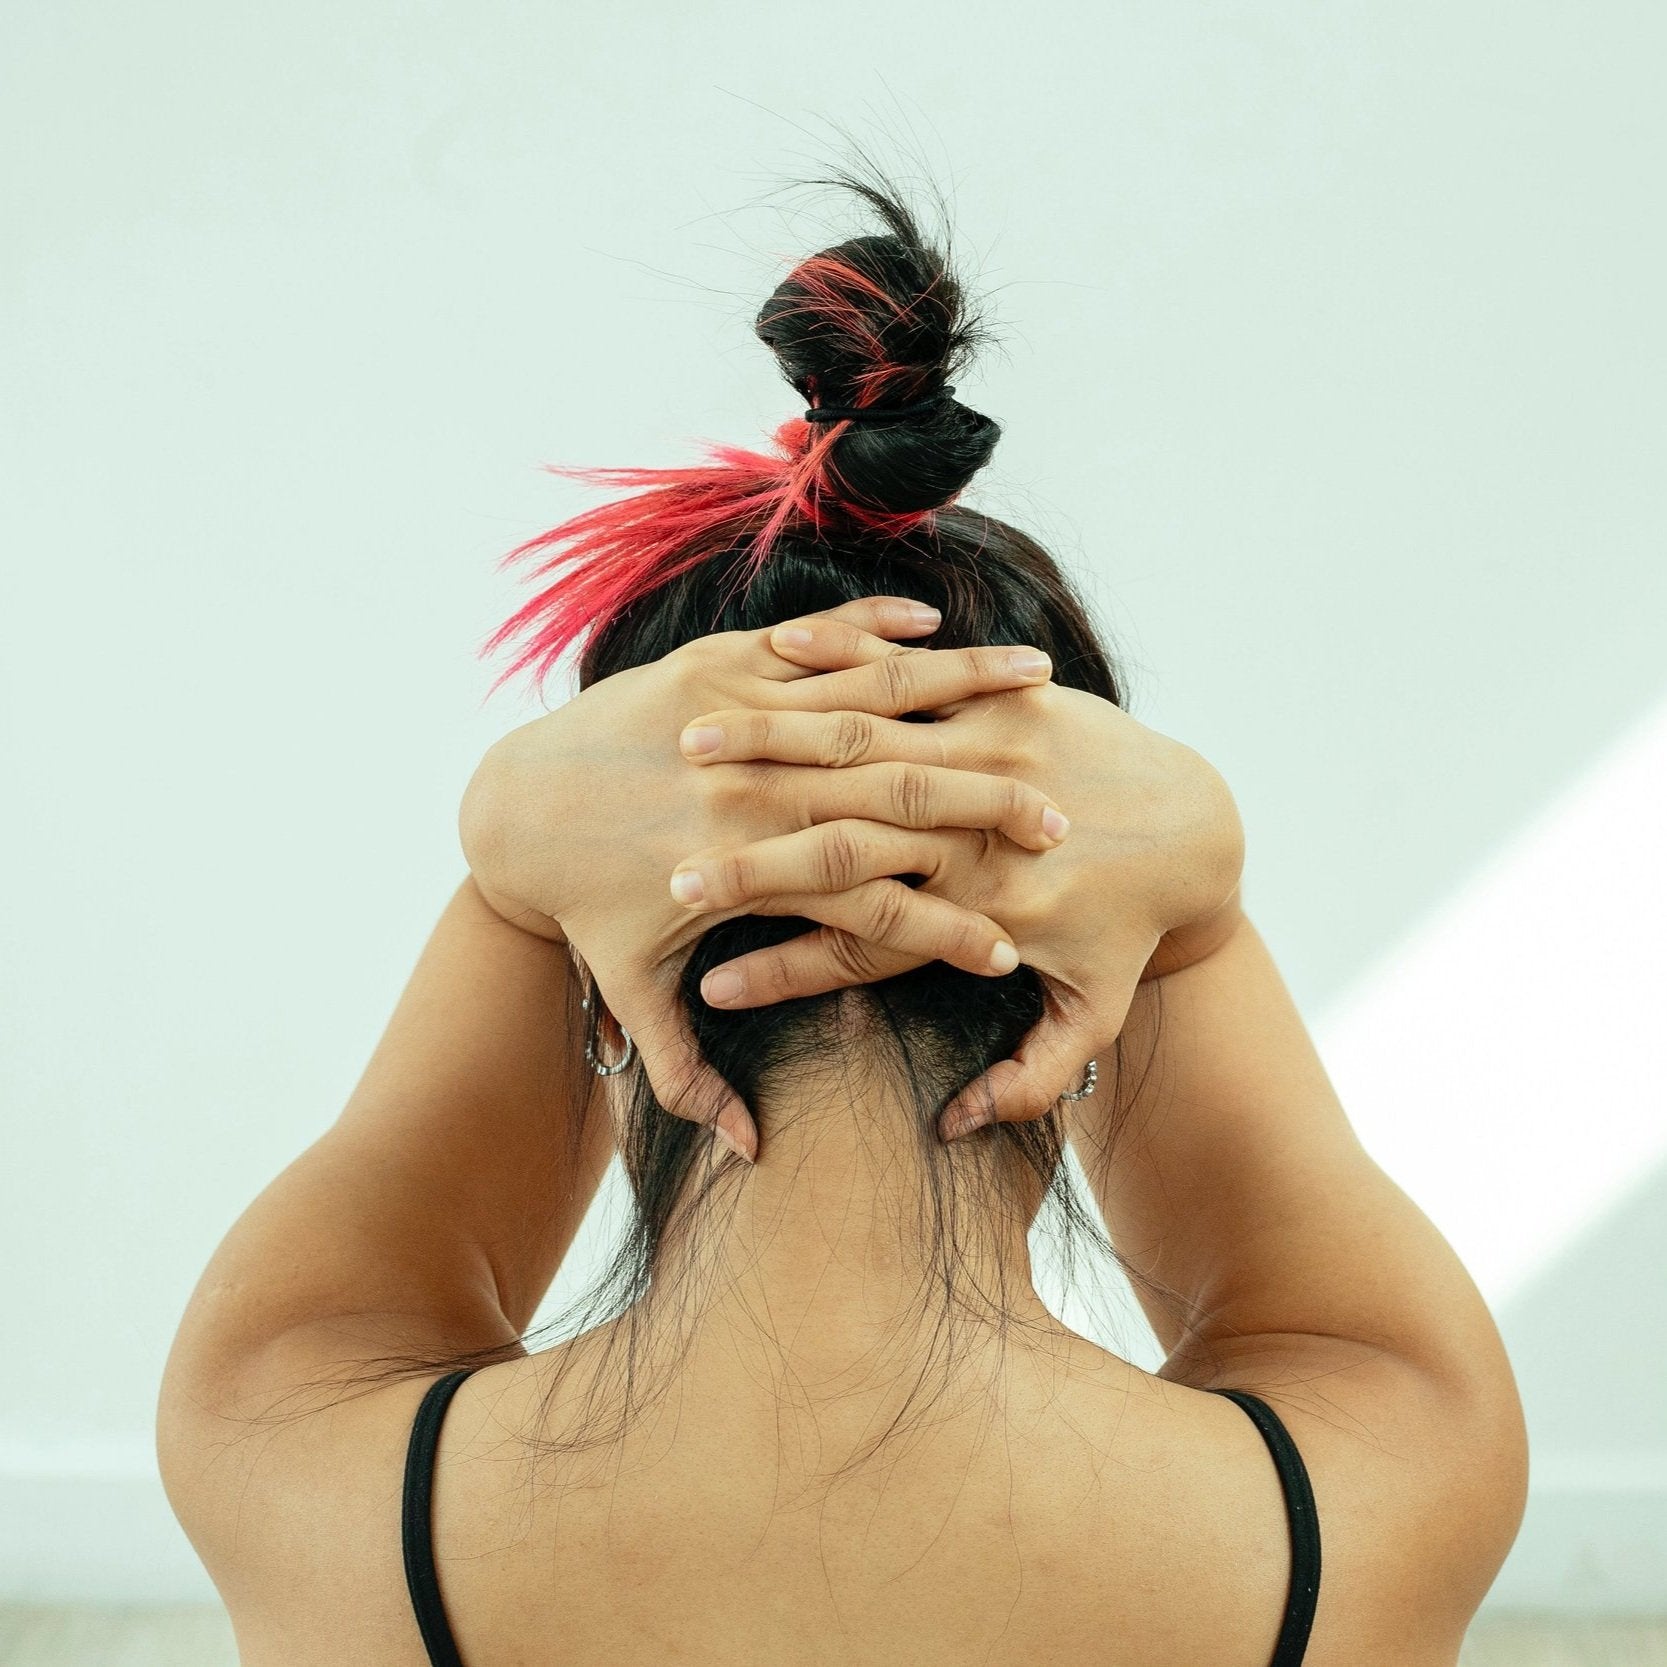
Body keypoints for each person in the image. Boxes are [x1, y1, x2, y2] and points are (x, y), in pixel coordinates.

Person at [158, 170, 1527, 1666]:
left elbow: (411, 1195)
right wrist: (1195, 891)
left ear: (603, 994)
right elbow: (1296, 1273)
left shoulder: (305, 1457)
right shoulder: (1368, 1493)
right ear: (1091, 991)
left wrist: (511, 856)